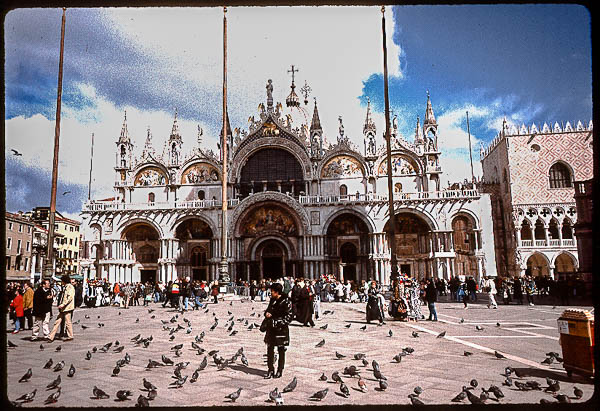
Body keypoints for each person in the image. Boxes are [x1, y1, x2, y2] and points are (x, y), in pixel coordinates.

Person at [263, 282, 293, 379]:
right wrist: (267, 314)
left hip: (281, 330)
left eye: (272, 291)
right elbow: (268, 310)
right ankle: (270, 369)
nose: (270, 293)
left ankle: (280, 370)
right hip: (271, 329)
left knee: (281, 350)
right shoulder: (272, 300)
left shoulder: (287, 301)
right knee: (270, 350)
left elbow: (289, 316)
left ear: (277, 292)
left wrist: (278, 322)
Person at [48, 275, 75, 342]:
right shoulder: (65, 287)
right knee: (57, 322)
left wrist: (63, 304)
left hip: (67, 308)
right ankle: (51, 336)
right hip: (63, 308)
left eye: (62, 281)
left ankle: (70, 336)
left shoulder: (70, 287)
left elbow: (69, 298)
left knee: (67, 322)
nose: (61, 282)